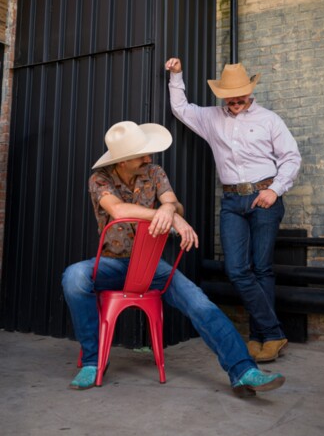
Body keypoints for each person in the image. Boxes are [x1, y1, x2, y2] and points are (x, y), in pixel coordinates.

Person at [62, 120, 286, 392]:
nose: (148, 157)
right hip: (112, 264)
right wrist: (165, 215)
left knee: (199, 302)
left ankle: (244, 371)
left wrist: (170, 210)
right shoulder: (100, 179)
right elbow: (118, 210)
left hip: (150, 265)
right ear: (122, 162)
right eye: (141, 154)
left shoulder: (155, 172)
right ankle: (92, 362)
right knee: (74, 276)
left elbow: (175, 203)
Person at [165, 58, 302, 363]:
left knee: (262, 268)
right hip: (231, 202)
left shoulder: (269, 120)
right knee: (237, 269)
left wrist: (274, 190)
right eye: (231, 96)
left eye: (242, 94)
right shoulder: (211, 117)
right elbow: (182, 109)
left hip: (264, 198)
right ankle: (274, 332)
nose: (237, 100)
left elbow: (291, 157)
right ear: (223, 95)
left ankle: (260, 336)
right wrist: (177, 76)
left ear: (250, 92)